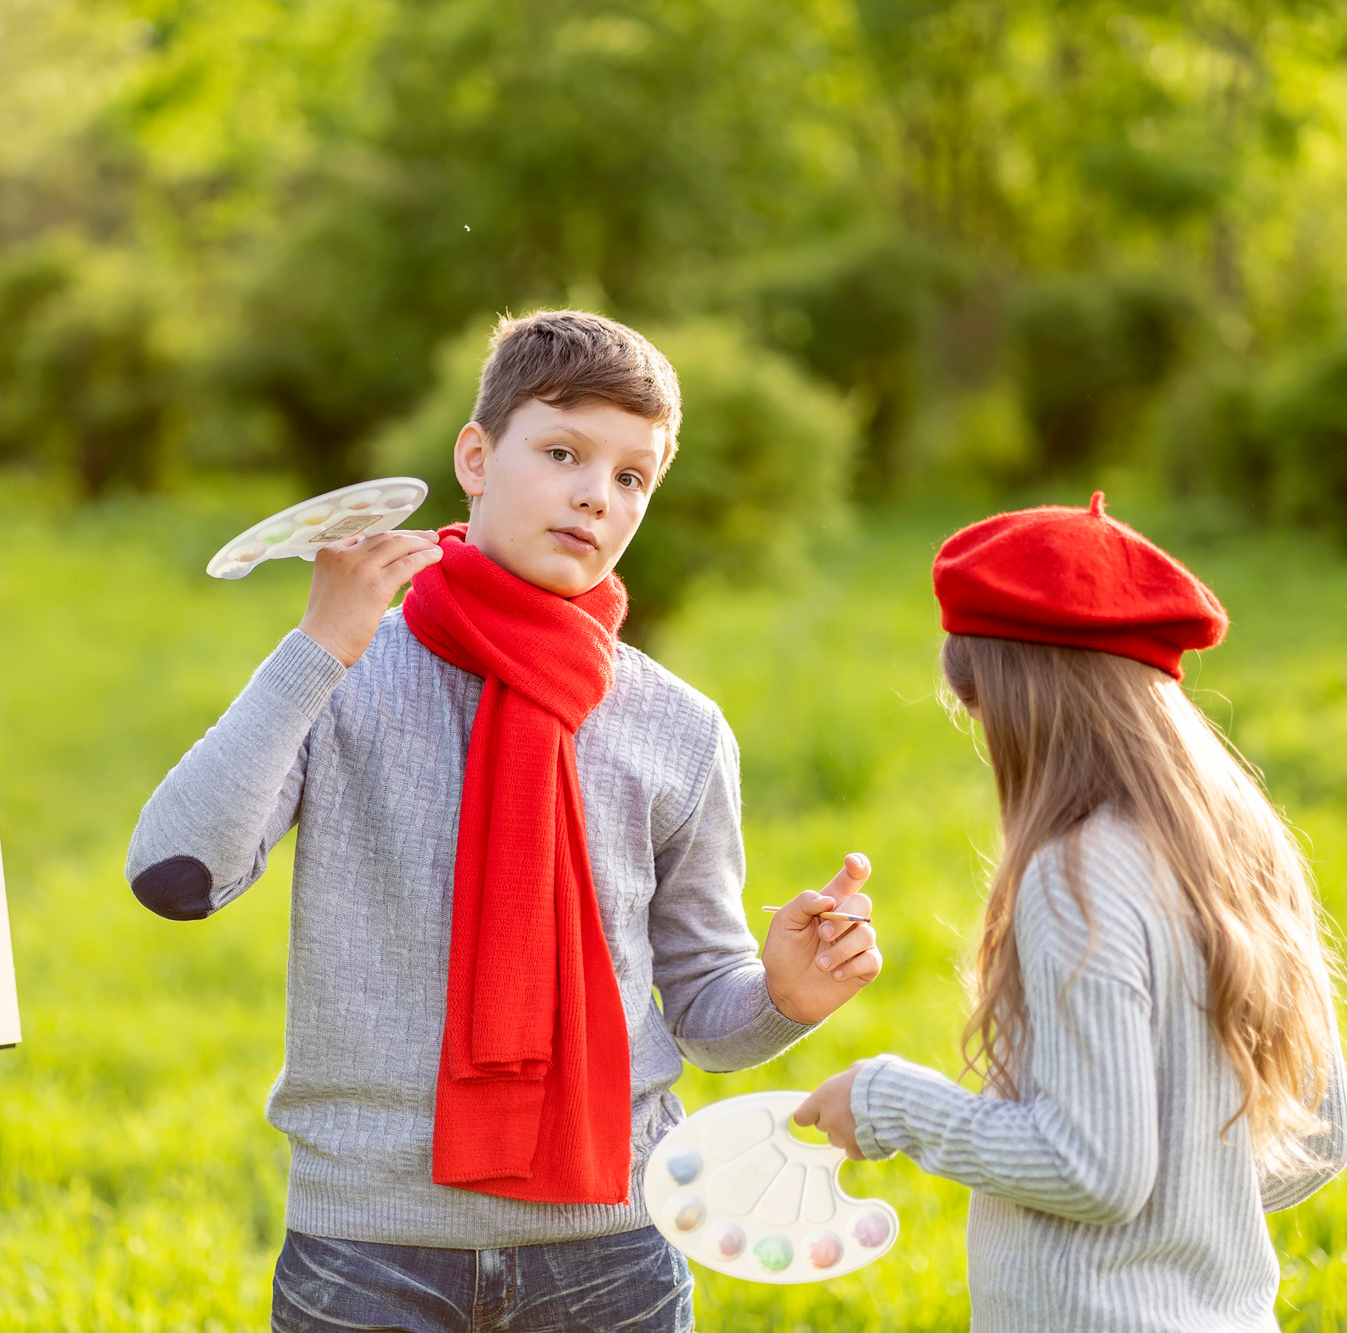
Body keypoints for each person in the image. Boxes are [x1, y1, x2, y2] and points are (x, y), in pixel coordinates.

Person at [127, 310, 884, 1332]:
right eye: (563, 452)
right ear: (475, 459)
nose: (596, 494)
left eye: (631, 476)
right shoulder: (347, 673)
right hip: (367, 1249)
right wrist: (316, 648)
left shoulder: (679, 727)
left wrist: (783, 995)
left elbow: (707, 1013)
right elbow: (176, 873)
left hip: (613, 1248)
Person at [795, 493, 1347, 1332]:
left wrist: (890, 1101)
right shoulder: (1241, 848)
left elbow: (1096, 1169)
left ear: (1022, 699)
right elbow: (1319, 1136)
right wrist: (1186, 1212)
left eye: (984, 714)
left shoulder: (1074, 877)